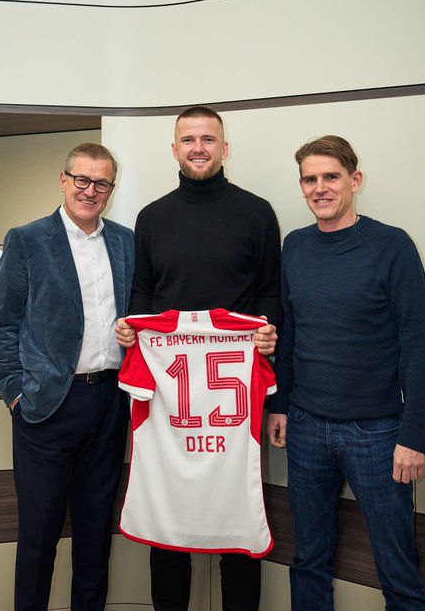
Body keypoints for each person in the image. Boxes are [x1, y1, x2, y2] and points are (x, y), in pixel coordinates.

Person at [116, 106, 281, 611]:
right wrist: (132, 330)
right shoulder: (152, 217)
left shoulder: (257, 212)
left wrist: (267, 332)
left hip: (234, 395)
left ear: (224, 148)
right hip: (171, 395)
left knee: (237, 514)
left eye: (208, 139)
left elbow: (270, 292)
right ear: (175, 150)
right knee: (169, 517)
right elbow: (143, 294)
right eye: (188, 139)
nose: (198, 147)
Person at [267, 135, 425, 610]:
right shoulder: (295, 246)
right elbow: (291, 333)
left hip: (378, 433)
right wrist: (280, 405)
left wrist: (413, 436)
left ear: (354, 180)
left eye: (331, 177)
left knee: (397, 569)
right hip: (306, 428)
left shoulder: (391, 245)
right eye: (310, 179)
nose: (320, 188)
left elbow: (420, 346)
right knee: (308, 560)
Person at [0, 143, 133, 611]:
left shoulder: (125, 241)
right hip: (47, 405)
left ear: (111, 188)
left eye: (102, 183)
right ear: (64, 180)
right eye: (82, 180)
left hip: (109, 403)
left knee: (95, 533)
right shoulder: (27, 239)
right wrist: (15, 392)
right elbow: (2, 324)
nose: (91, 191)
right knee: (39, 534)